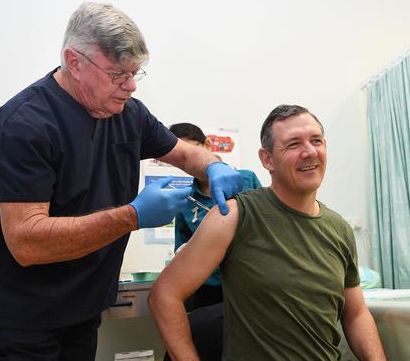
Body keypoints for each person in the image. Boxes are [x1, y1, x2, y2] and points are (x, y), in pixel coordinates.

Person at [0, 2, 242, 360]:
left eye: (136, 72)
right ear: (74, 61)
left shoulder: (128, 113)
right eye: (118, 74)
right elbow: (27, 242)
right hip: (22, 322)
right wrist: (133, 215)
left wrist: (213, 167)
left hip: (84, 310)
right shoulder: (25, 125)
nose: (130, 85)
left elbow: (184, 153)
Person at [149, 105, 386, 360]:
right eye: (293, 144)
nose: (309, 151)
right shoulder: (235, 215)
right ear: (267, 159)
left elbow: (356, 313)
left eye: (316, 140)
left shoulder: (339, 229)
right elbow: (165, 295)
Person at [169, 122, 262, 310]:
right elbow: (181, 249)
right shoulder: (185, 199)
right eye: (178, 157)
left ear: (208, 146)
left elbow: (266, 226)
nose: (187, 160)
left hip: (250, 286)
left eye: (191, 150)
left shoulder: (246, 180)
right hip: (208, 290)